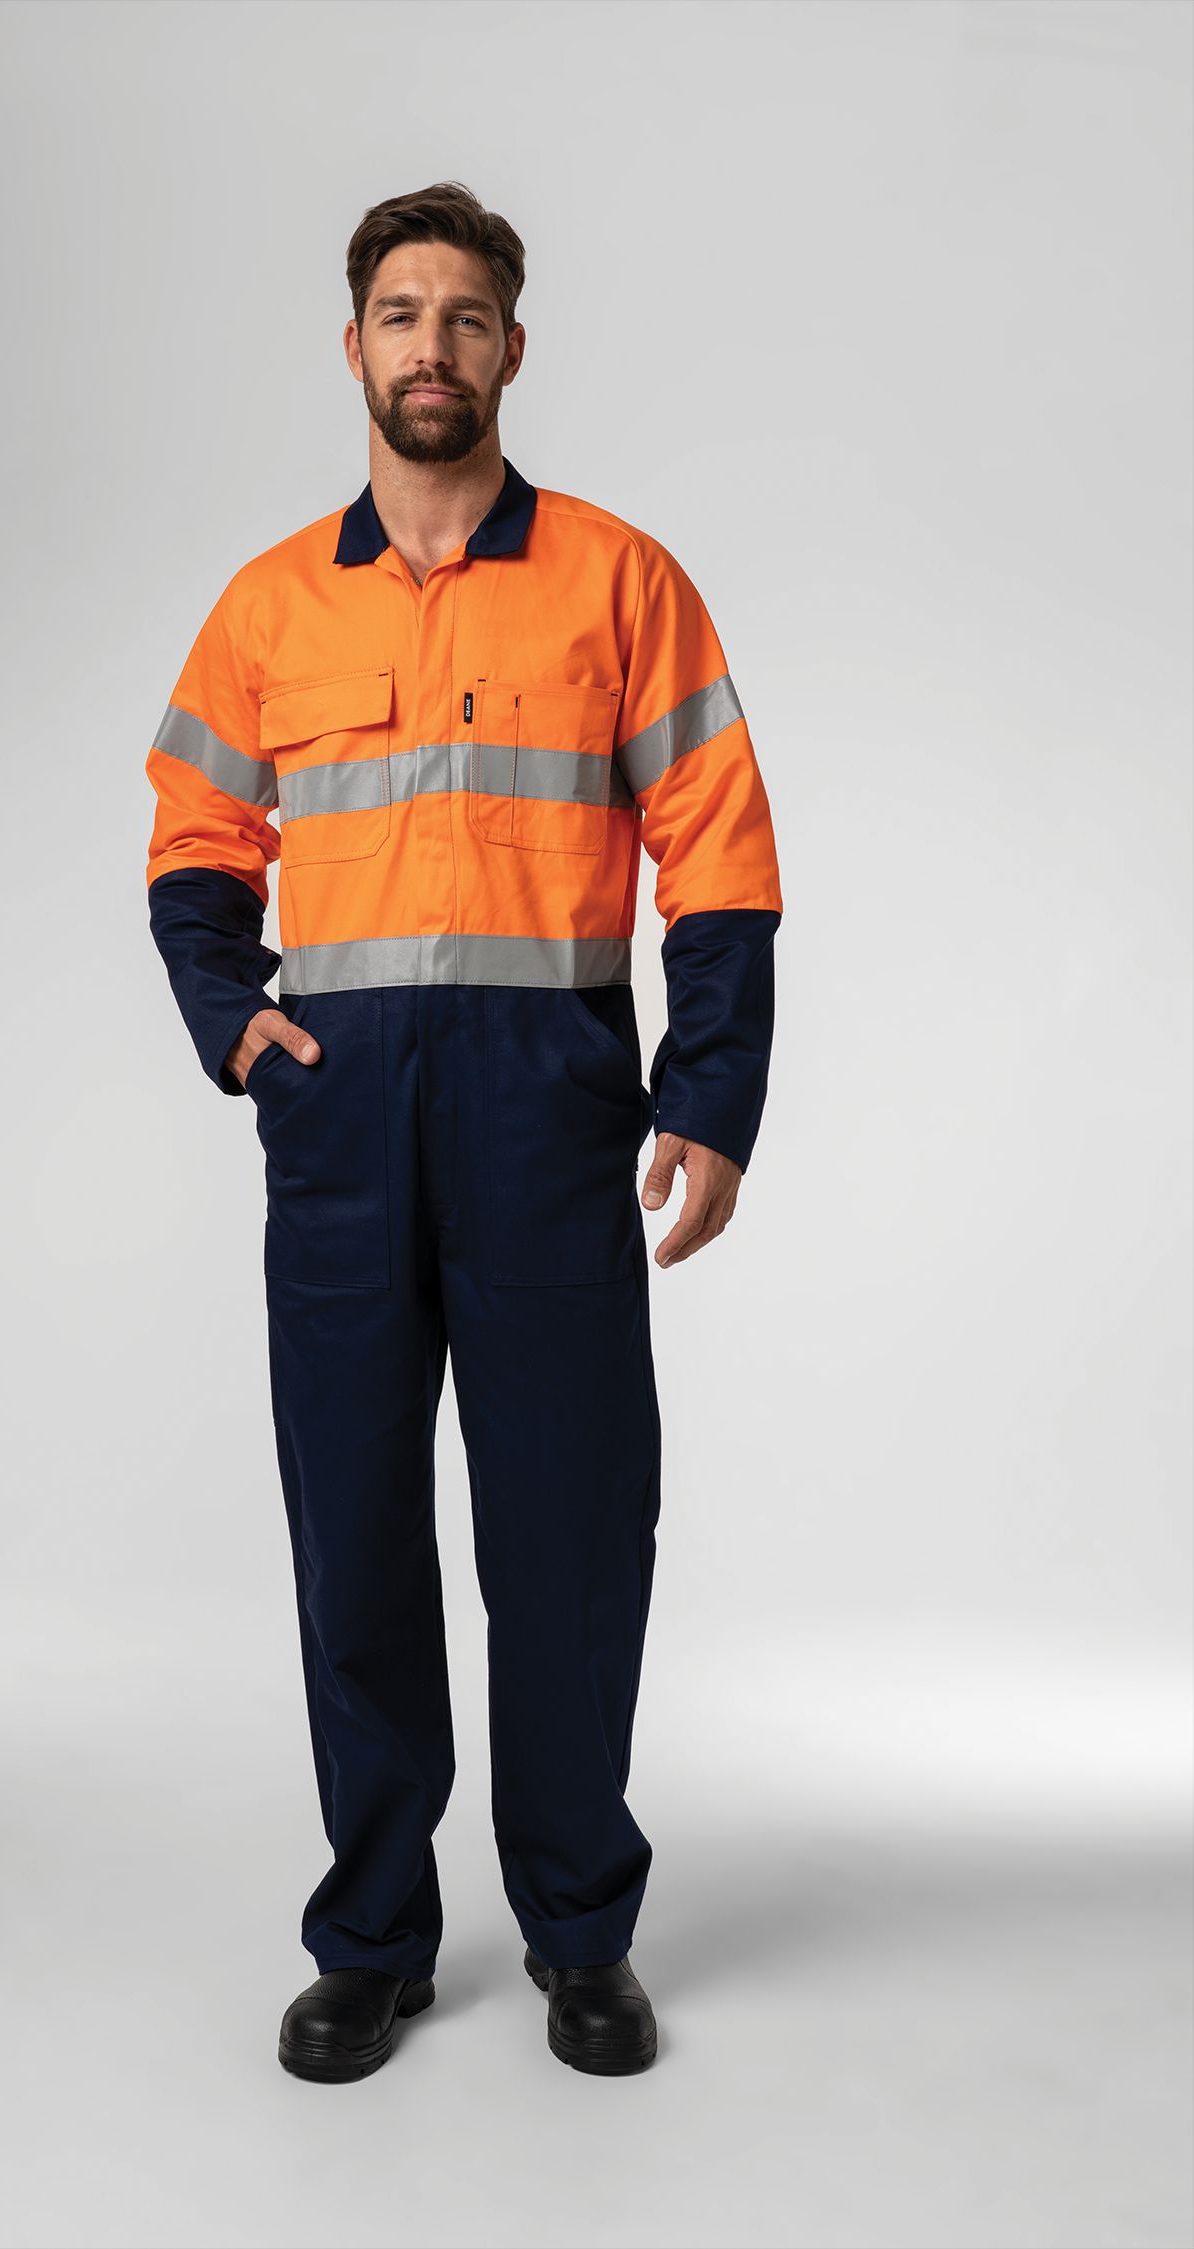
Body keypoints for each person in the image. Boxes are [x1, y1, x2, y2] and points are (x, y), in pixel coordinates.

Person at [144, 181, 782, 2082]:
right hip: (341, 1127)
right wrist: (234, 1022)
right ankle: (374, 1934)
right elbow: (194, 842)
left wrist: (711, 1091)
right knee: (353, 1535)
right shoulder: (270, 604)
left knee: (570, 1536)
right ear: (355, 348)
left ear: (513, 349)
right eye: (404, 316)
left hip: (549, 1118)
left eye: (469, 316)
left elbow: (719, 854)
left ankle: (582, 1929)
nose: (435, 346)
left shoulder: (620, 582)